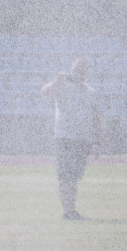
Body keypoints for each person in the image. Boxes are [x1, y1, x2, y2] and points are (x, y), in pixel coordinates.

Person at [41, 58, 101, 220]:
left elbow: (95, 118)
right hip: (65, 138)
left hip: (83, 140)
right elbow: (45, 92)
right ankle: (68, 210)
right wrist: (56, 82)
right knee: (65, 176)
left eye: (82, 71)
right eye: (76, 70)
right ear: (71, 71)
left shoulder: (91, 92)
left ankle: (70, 209)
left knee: (74, 177)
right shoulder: (63, 88)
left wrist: (96, 142)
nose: (78, 74)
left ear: (86, 74)